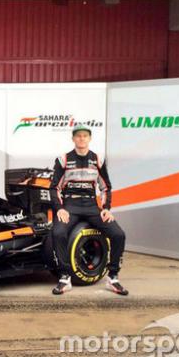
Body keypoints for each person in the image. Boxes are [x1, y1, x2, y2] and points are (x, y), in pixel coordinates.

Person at [48, 125, 128, 296]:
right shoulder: (63, 159)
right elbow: (54, 188)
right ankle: (65, 277)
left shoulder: (98, 159)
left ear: (89, 138)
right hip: (70, 205)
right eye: (78, 136)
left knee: (118, 234)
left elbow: (106, 187)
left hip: (92, 206)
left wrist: (106, 209)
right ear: (73, 139)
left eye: (85, 136)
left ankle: (113, 277)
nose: (82, 138)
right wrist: (60, 209)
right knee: (58, 233)